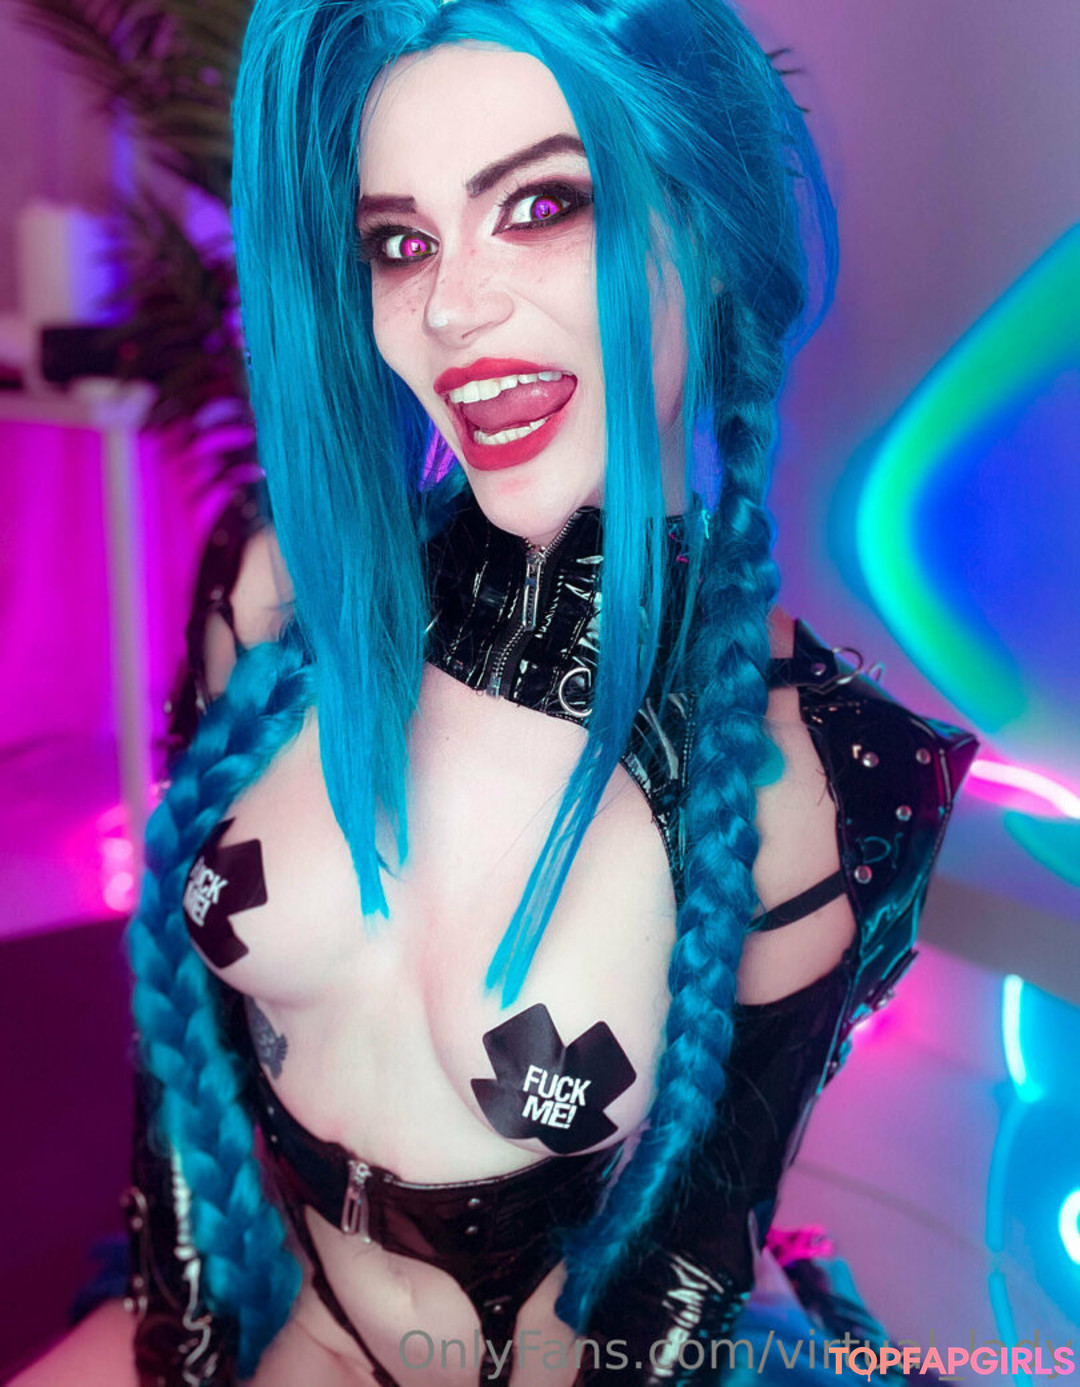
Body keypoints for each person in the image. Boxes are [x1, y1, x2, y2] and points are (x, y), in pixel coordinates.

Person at [9, 1, 977, 1385]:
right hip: (265, 1331)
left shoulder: (828, 775)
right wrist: (186, 1350)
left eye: (540, 205)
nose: (450, 310)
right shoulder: (276, 590)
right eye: (401, 244)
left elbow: (673, 1302)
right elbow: (180, 1078)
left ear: (707, 232)